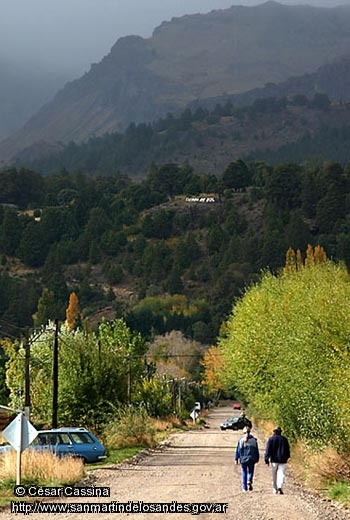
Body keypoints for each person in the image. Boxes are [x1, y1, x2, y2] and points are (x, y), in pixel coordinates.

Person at [264, 426, 291, 495]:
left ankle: (274, 488)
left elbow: (268, 450)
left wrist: (266, 459)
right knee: (281, 474)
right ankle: (280, 486)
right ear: (280, 432)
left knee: (274, 475)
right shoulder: (284, 439)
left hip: (274, 460)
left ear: (274, 431)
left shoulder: (271, 439)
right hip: (283, 459)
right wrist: (287, 457)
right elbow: (287, 450)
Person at [235, 425, 259, 492]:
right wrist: (257, 458)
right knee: (251, 471)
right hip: (252, 459)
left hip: (243, 459)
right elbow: (256, 450)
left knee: (244, 472)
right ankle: (249, 480)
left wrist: (236, 458)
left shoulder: (241, 440)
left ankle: (244, 488)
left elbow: (238, 450)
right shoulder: (254, 440)